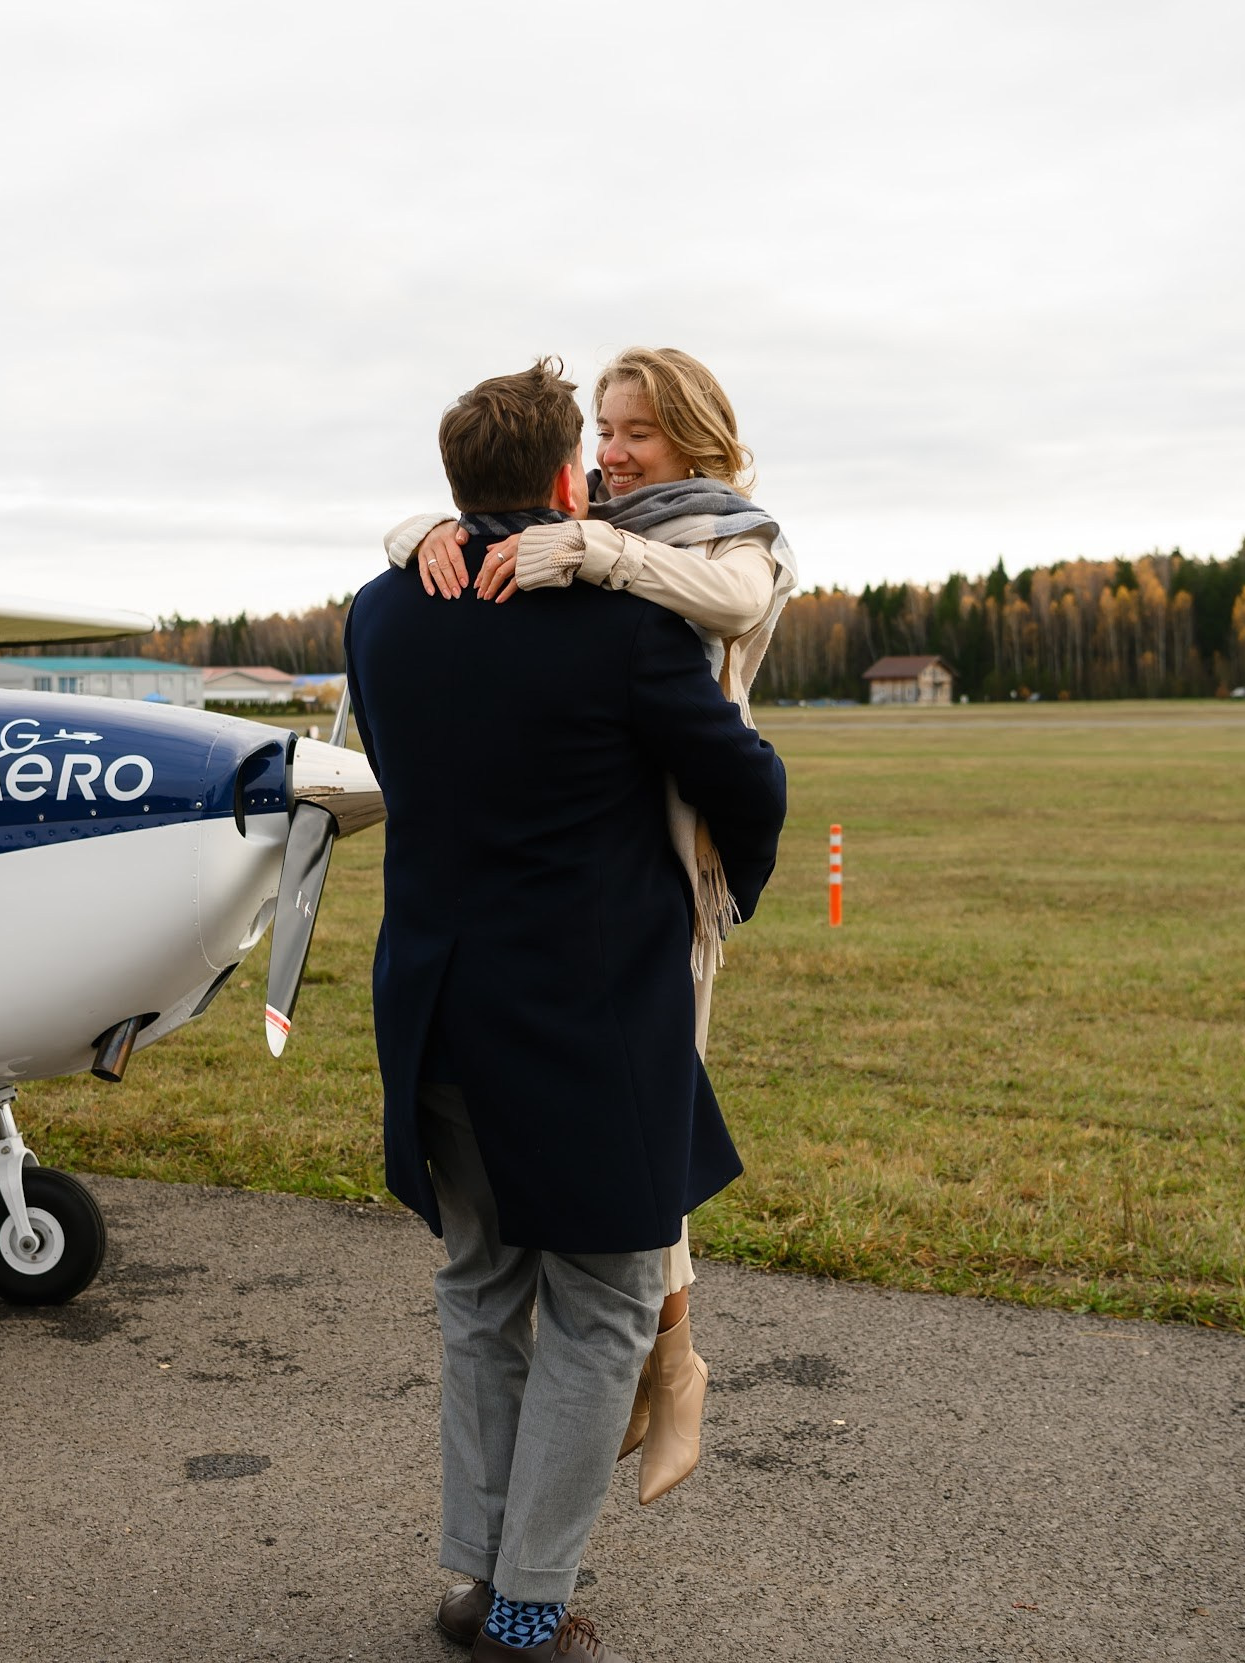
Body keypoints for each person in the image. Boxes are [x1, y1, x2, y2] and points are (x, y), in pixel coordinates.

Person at [346, 359, 788, 1662]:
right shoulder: (618, 627)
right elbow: (743, 778)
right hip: (587, 1022)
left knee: (483, 1287)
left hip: (432, 1003)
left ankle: (481, 1581)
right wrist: (723, 890)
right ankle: (531, 1609)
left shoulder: (377, 613)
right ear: (560, 483)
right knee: (601, 1301)